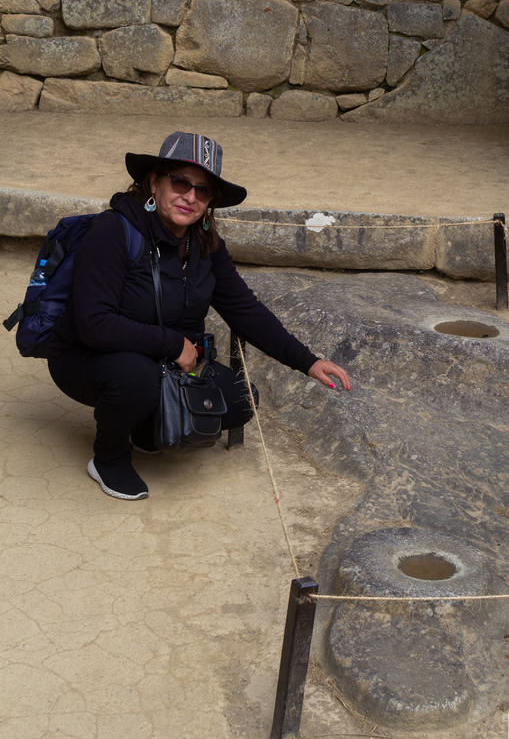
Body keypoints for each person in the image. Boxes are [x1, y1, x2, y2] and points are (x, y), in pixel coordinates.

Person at [47, 131, 350, 501]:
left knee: (239, 399)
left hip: (161, 362)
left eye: (203, 190)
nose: (190, 197)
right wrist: (173, 344)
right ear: (154, 182)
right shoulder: (112, 231)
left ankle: (144, 429)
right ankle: (109, 458)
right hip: (87, 357)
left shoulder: (205, 243)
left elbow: (244, 309)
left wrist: (308, 361)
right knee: (137, 378)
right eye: (180, 182)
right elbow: (95, 324)